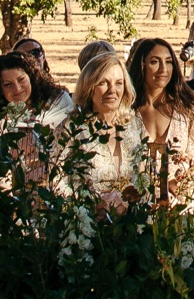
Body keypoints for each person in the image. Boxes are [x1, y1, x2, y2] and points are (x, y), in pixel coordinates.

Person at [40, 48, 146, 211]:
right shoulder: (72, 128)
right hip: (86, 221)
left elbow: (144, 174)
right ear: (89, 87)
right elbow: (56, 181)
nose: (112, 90)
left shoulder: (134, 124)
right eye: (103, 83)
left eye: (118, 83)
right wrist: (91, 205)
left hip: (131, 220)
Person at [127, 36, 194, 202]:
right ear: (141, 66)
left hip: (180, 200)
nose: (163, 69)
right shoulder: (127, 112)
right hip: (137, 199)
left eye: (168, 62)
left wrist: (183, 183)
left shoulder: (189, 109)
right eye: (155, 62)